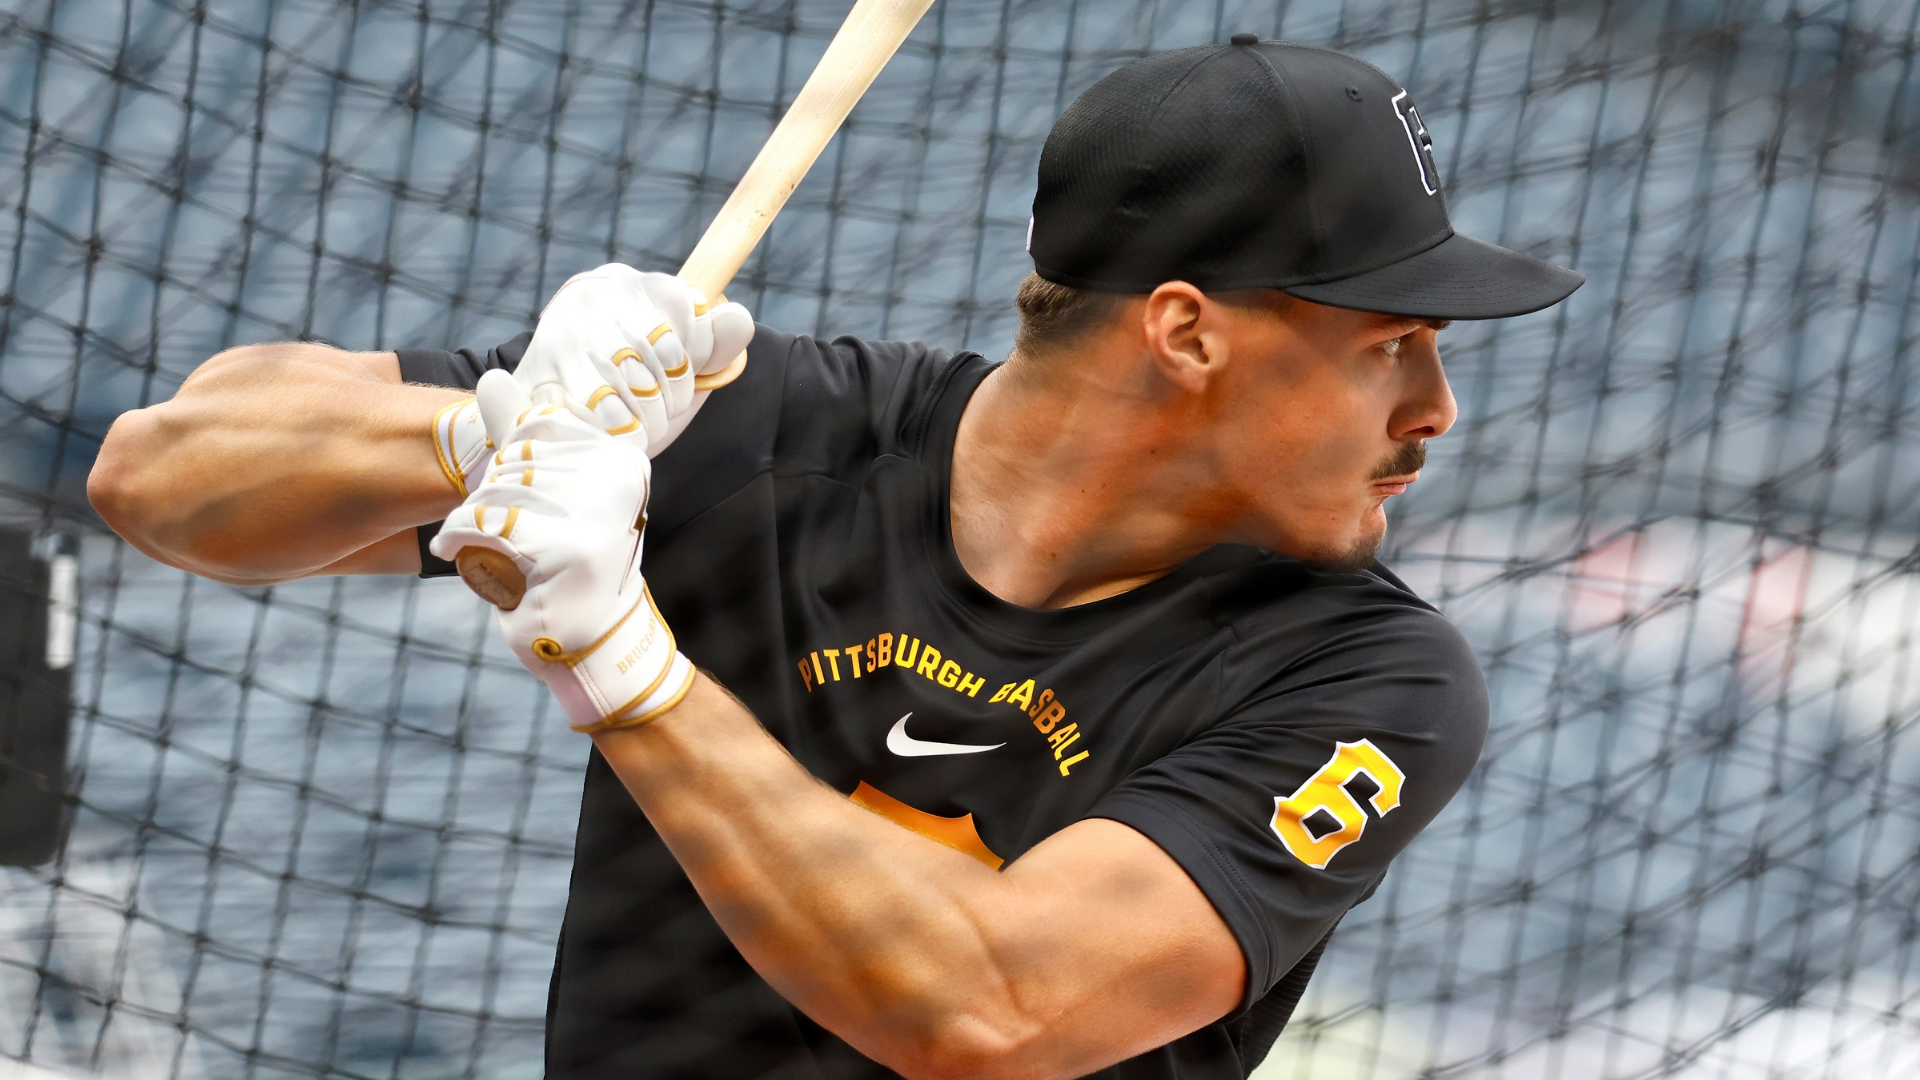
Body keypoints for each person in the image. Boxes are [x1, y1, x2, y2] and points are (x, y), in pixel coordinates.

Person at [88, 37, 1581, 1080]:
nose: (1436, 412)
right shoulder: (759, 426)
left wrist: (619, 658)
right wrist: (498, 441)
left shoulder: (1368, 677)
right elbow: (160, 472)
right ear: (1185, 331)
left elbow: (994, 1016)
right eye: (1392, 348)